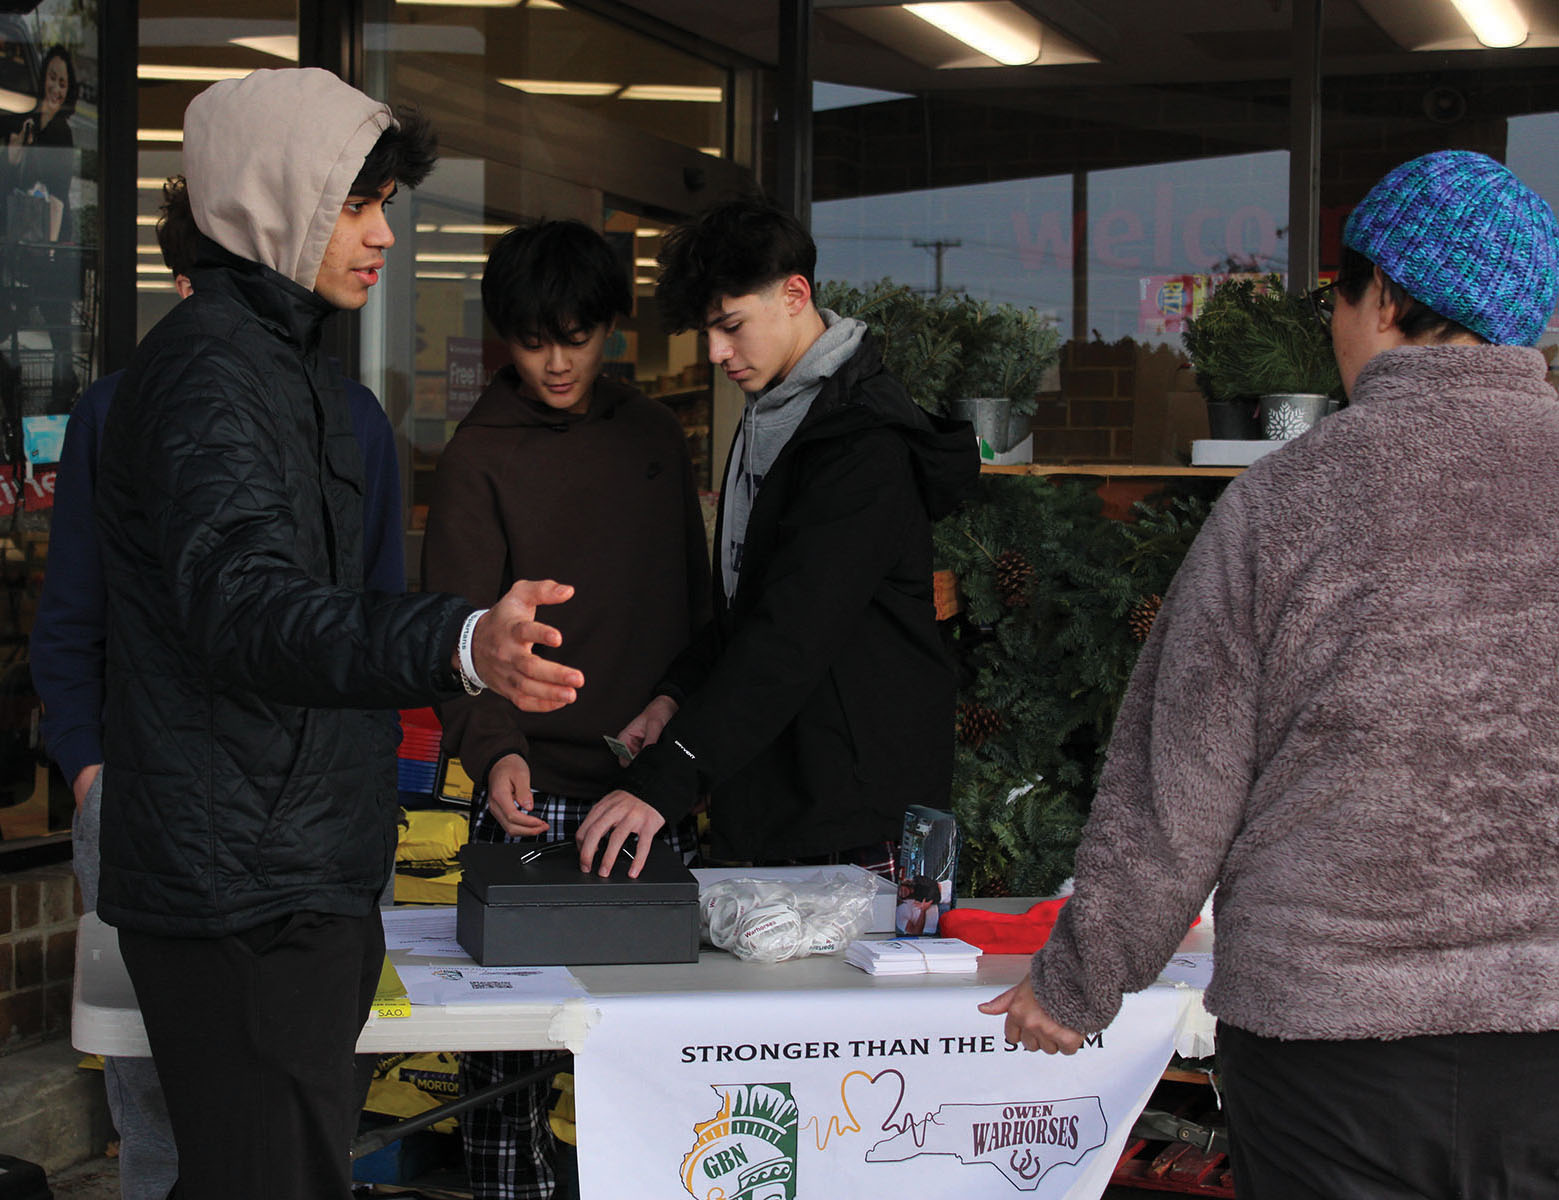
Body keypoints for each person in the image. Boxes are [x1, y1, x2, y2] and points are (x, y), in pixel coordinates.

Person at [980, 149, 1559, 1198]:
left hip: (1331, 1052)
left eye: (1334, 298)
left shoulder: (1286, 499)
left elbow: (1179, 781)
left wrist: (1075, 984)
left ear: (1378, 296)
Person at [92, 69, 582, 1200]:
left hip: (283, 875)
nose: (384, 237)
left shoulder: (281, 369)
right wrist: (459, 644)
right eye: (360, 206)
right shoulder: (215, 376)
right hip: (243, 895)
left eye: (386, 205)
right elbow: (245, 610)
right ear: (280, 203)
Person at [31, 175, 404, 1200]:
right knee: (156, 1114)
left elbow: (371, 614)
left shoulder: (353, 420)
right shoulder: (124, 406)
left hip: (315, 830)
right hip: (155, 801)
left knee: (293, 1125)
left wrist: (366, 777)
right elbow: (72, 619)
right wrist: (91, 773)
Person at [423, 218, 710, 1200]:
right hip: (533, 799)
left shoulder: (653, 439)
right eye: (535, 339)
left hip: (650, 796)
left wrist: (675, 703)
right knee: (507, 1078)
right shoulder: (477, 458)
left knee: (668, 1062)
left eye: (577, 337)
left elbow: (694, 604)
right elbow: (454, 636)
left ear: (611, 329)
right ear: (505, 335)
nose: (555, 361)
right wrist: (493, 753)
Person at [576, 196, 978, 880]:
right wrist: (675, 696)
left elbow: (793, 632)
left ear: (795, 294)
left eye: (730, 326)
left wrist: (666, 778)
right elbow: (749, 603)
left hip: (857, 816)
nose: (715, 353)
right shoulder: (776, 414)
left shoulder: (862, 441)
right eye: (707, 331)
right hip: (784, 799)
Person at [3, 43, 75, 243]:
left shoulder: (61, 133)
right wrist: (13, 153)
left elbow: (58, 198)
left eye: (62, 83)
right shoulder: (25, 121)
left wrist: (50, 251)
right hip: (19, 230)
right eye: (52, 78)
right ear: (43, 78)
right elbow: (8, 180)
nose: (56, 88)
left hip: (46, 234)